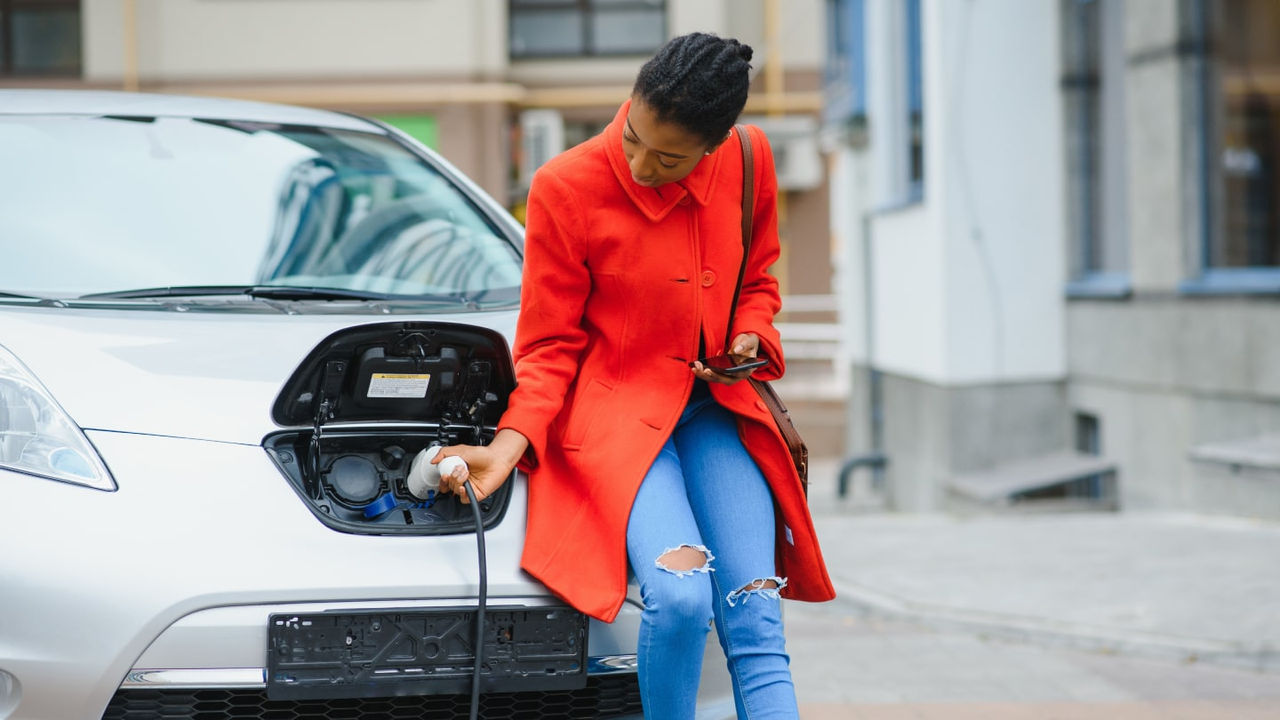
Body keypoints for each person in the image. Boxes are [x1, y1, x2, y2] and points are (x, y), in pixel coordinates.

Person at [436, 32, 835, 719]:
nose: (643, 165)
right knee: (681, 598)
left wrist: (749, 332)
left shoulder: (750, 160)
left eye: (670, 157)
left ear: (715, 144)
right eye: (633, 139)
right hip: (617, 419)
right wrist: (509, 444)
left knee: (755, 610)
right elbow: (550, 344)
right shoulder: (566, 186)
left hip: (717, 411)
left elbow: (760, 279)